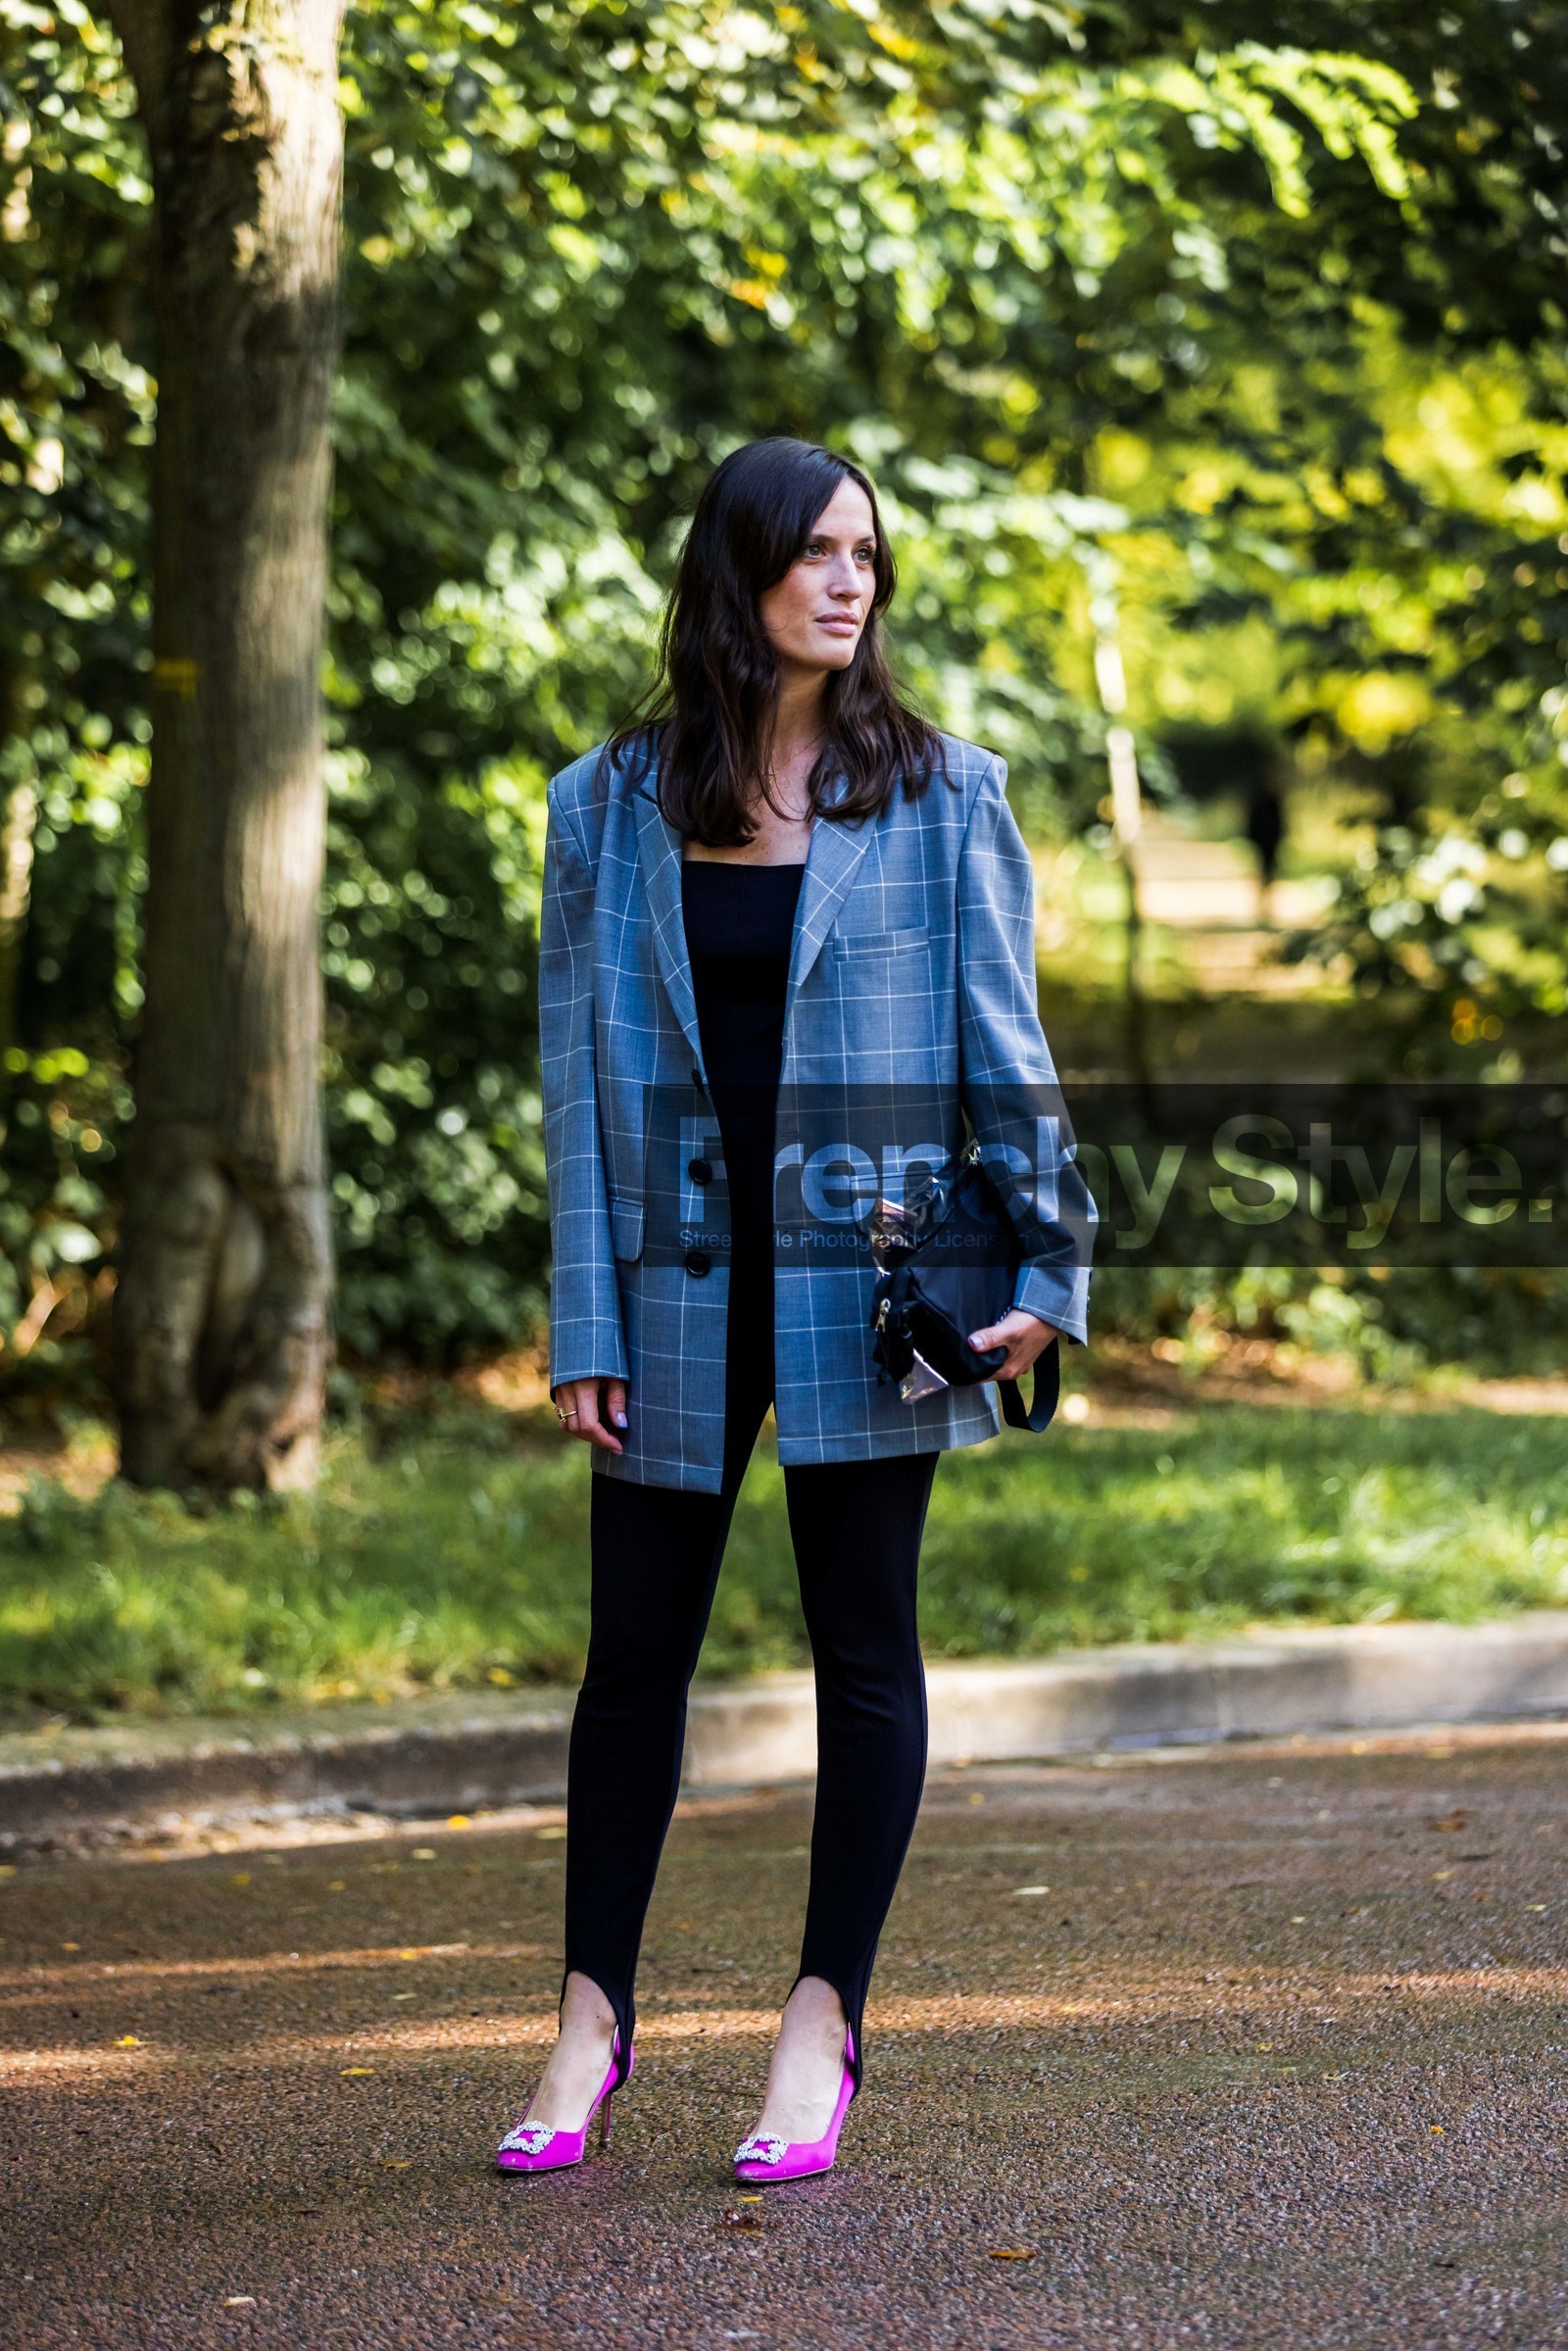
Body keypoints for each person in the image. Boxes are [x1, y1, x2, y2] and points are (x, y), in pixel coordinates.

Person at [497, 437, 1092, 2183]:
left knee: (866, 1653)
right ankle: (589, 2024)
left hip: (874, 1293)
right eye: (819, 552)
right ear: (739, 569)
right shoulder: (602, 804)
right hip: (668, 1295)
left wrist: (1050, 1267)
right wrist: (582, 1319)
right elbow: (578, 1082)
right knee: (632, 1666)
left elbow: (1006, 1052)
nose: (851, 583)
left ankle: (822, 2029)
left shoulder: (947, 793)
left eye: (868, 556)